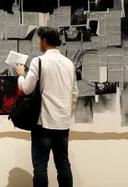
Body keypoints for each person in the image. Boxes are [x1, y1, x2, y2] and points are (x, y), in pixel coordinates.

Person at [15, 26, 79, 187]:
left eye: (38, 39)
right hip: (63, 123)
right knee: (63, 164)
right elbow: (74, 93)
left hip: (43, 123)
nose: (38, 42)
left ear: (44, 40)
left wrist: (21, 74)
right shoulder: (69, 63)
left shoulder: (39, 61)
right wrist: (66, 113)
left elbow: (27, 88)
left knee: (40, 166)